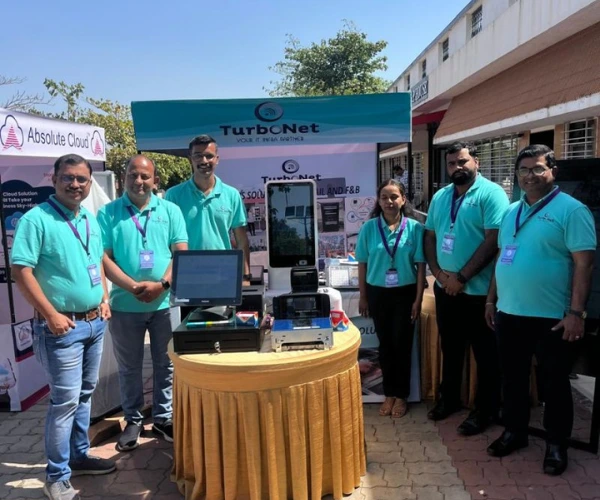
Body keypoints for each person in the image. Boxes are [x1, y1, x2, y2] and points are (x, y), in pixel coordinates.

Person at [485, 144, 596, 475]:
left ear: (553, 172)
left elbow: (585, 265)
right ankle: (515, 432)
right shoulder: (511, 211)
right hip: (509, 313)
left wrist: (576, 314)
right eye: (523, 170)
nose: (529, 176)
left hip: (553, 318)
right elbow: (502, 257)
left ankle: (556, 445)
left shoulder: (572, 211)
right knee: (513, 379)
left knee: (554, 384)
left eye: (537, 169)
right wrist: (491, 300)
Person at [10, 154, 115, 500]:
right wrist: (51, 314)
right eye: (68, 177)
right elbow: (21, 270)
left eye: (82, 179)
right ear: (53, 179)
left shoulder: (88, 218)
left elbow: (96, 260)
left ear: (89, 183)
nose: (75, 184)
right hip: (61, 329)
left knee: (84, 395)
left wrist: (103, 297)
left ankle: (79, 456)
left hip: (94, 323)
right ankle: (56, 475)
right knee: (64, 402)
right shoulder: (36, 219)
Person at [97, 155, 188, 452]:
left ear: (155, 180)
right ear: (124, 179)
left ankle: (163, 418)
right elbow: (103, 258)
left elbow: (181, 252)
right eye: (133, 175)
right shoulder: (109, 213)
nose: (139, 181)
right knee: (129, 368)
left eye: (145, 176)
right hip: (125, 305)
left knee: (166, 364)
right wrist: (132, 287)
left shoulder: (171, 210)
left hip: (165, 304)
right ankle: (133, 420)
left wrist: (162, 285)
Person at [423, 141, 509, 435]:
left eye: (462, 161)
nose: (457, 167)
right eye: (451, 163)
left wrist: (460, 278)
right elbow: (430, 237)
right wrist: (438, 274)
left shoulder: (492, 193)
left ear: (476, 162)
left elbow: (493, 240)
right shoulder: (440, 196)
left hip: (479, 294)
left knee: (486, 355)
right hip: (445, 290)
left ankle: (485, 411)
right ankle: (449, 400)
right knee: (451, 348)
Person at [355, 179, 426, 418]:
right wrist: (363, 296)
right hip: (378, 293)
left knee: (402, 345)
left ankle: (401, 395)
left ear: (403, 200)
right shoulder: (369, 228)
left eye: (394, 196)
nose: (389, 201)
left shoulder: (414, 228)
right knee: (385, 345)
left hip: (405, 293)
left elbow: (420, 266)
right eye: (384, 197)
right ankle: (389, 394)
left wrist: (417, 300)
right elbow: (362, 264)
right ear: (378, 200)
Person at [165, 134, 251, 282]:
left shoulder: (232, 195)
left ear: (217, 159)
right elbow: (166, 241)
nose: (204, 161)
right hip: (186, 276)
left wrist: (245, 277)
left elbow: (241, 241)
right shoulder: (174, 195)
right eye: (198, 156)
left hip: (223, 275)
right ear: (190, 159)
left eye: (209, 156)